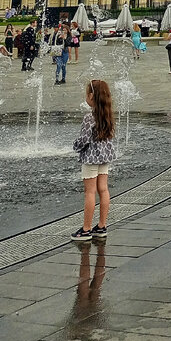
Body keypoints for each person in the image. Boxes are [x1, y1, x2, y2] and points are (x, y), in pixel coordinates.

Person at [71, 79, 118, 243]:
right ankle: (102, 226)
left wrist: (75, 146)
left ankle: (85, 230)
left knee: (89, 192)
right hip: (105, 157)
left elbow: (84, 140)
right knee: (103, 190)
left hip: (91, 158)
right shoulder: (108, 114)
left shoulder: (88, 118)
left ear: (91, 96)